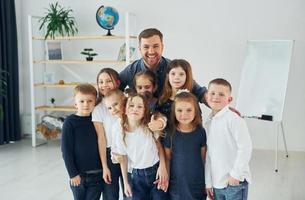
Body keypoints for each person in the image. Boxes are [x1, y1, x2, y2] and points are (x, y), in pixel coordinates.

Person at [119, 28, 207, 101]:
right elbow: (113, 90)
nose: (151, 51)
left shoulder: (173, 68)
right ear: (140, 49)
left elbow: (200, 92)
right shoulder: (131, 70)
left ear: (162, 47)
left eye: (156, 46)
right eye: (146, 47)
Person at [112, 93, 169, 200]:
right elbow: (123, 158)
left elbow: (159, 147)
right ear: (125, 109)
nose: (135, 109)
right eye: (131, 105)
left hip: (155, 171)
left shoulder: (148, 126)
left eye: (140, 106)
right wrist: (126, 183)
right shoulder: (119, 129)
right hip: (136, 176)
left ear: (144, 111)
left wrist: (163, 167)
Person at [205, 78, 252, 200]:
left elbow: (245, 148)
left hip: (234, 182)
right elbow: (208, 155)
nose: (216, 97)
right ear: (206, 96)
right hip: (217, 184)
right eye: (213, 93)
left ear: (229, 99)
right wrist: (208, 183)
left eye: (221, 94)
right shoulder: (208, 123)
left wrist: (235, 175)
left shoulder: (234, 120)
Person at [61, 83, 103, 200]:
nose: (86, 104)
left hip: (97, 174)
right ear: (75, 104)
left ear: (95, 102)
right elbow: (66, 151)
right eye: (82, 101)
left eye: (90, 101)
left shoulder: (97, 119)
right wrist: (72, 173)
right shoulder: (70, 122)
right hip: (78, 175)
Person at [164, 91, 207, 200]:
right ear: (174, 111)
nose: (184, 114)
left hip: (197, 183)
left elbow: (203, 159)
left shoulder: (201, 132)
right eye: (179, 110)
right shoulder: (170, 132)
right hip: (176, 184)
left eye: (189, 110)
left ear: (195, 111)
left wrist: (206, 182)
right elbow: (167, 158)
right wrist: (167, 179)